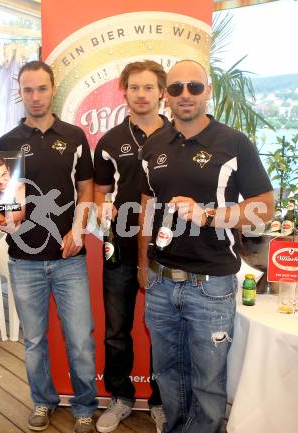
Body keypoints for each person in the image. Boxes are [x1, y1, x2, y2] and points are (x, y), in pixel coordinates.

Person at [138, 59, 274, 433]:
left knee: (208, 382)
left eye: (194, 87)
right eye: (177, 87)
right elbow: (147, 206)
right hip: (160, 280)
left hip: (211, 284)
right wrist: (141, 265)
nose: (185, 95)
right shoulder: (154, 145)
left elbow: (264, 206)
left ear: (207, 91)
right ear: (166, 94)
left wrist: (210, 216)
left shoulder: (233, 142)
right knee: (167, 374)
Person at [0, 60, 97, 433]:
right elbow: (3, 197)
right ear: (19, 93)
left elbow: (86, 188)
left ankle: (85, 406)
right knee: (35, 340)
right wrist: (4, 220)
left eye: (41, 89)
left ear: (53, 90)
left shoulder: (74, 136)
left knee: (80, 340)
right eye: (27, 90)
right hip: (24, 260)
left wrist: (78, 229)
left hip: (69, 259)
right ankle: (42, 402)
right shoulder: (6, 143)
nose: (35, 96)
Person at [93, 60, 169, 433]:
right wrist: (100, 204)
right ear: (124, 90)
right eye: (135, 87)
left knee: (162, 329)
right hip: (119, 248)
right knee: (117, 330)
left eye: (149, 87)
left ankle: (160, 401)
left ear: (162, 93)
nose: (142, 94)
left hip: (168, 249)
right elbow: (98, 192)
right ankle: (120, 398)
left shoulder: (179, 137)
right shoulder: (109, 142)